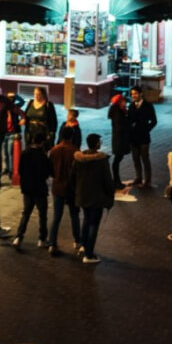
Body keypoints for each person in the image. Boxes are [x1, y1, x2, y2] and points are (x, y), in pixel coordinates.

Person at [72, 133, 114, 264]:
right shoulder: (102, 161)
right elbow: (108, 180)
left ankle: (84, 245)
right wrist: (110, 196)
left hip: (83, 196)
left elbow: (72, 177)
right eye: (99, 142)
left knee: (86, 220)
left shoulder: (79, 159)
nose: (100, 144)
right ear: (96, 144)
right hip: (97, 196)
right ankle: (89, 254)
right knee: (93, 224)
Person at [13, 133, 52, 249]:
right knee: (42, 215)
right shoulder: (42, 156)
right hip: (39, 188)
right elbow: (47, 172)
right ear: (41, 143)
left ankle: (19, 237)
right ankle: (42, 239)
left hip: (27, 189)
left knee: (26, 213)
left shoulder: (25, 153)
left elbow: (20, 170)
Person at [46, 126, 80, 257]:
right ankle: (78, 241)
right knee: (74, 215)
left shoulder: (54, 150)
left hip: (57, 186)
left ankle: (52, 243)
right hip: (71, 187)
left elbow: (50, 169)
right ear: (71, 136)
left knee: (57, 216)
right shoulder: (75, 151)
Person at [127, 86, 157, 188]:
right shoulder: (131, 106)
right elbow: (129, 120)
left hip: (144, 138)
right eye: (132, 94)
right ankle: (138, 177)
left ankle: (147, 180)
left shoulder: (148, 106)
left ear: (141, 94)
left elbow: (154, 121)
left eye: (135, 93)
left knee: (145, 159)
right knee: (136, 159)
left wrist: (146, 129)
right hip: (133, 138)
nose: (133, 96)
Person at [106, 94, 130, 188]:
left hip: (119, 139)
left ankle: (116, 181)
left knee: (117, 160)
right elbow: (120, 127)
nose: (125, 102)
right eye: (123, 100)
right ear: (120, 102)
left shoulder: (119, 111)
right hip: (119, 140)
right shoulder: (118, 113)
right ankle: (116, 181)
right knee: (117, 161)